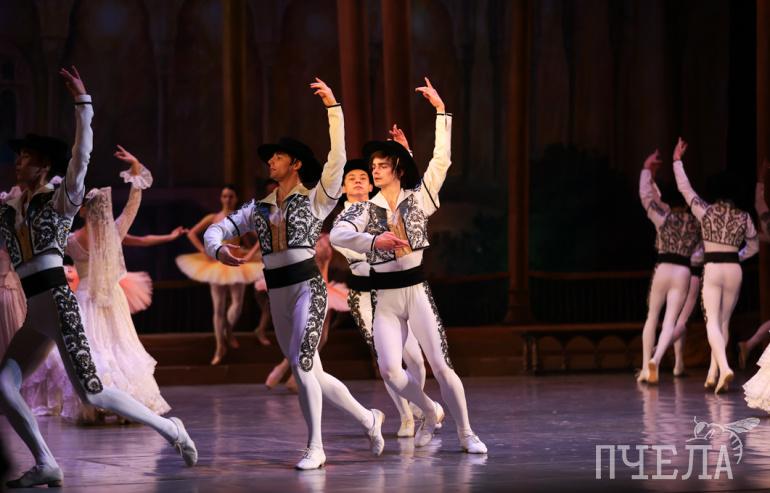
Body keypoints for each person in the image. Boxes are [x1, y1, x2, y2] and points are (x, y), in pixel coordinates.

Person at [0, 66, 196, 489]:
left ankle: (171, 430)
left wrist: (82, 104)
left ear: (44, 165)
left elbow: (81, 156)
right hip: (35, 311)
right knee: (4, 384)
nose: (18, 162)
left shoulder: (61, 199)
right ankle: (46, 462)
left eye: (26, 156)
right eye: (18, 156)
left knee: (91, 392)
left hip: (58, 303)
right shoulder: (10, 208)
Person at [204, 78, 384, 470]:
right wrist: (217, 249)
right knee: (312, 371)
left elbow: (338, 157)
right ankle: (370, 419)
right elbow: (215, 231)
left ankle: (315, 447)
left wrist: (333, 109)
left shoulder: (317, 197)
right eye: (270, 157)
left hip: (308, 288)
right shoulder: (258, 207)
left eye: (278, 156)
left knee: (302, 366)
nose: (271, 161)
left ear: (296, 163)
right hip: (278, 294)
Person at [330, 77, 486, 454]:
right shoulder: (365, 209)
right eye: (373, 166)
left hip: (415, 294)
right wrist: (373, 241)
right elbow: (338, 234)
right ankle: (429, 409)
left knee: (440, 366)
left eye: (382, 165)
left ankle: (467, 432)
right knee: (389, 370)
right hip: (384, 300)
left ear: (397, 168)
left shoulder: (420, 198)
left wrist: (441, 112)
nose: (375, 171)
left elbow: (441, 160)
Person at [21, 146, 176, 423]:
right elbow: (133, 204)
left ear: (83, 211)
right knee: (118, 346)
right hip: (111, 297)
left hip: (85, 297)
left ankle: (93, 405)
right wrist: (136, 168)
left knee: (92, 349)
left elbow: (47, 240)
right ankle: (126, 406)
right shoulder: (114, 233)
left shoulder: (71, 240)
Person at [673, 137, 759, 393]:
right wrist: (736, 256)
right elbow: (754, 245)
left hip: (713, 268)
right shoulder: (743, 217)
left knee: (712, 321)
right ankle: (713, 374)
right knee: (723, 322)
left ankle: (724, 367)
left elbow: (685, 189)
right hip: (733, 268)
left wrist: (677, 161)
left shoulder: (706, 211)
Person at [177, 185, 263, 365]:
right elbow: (191, 233)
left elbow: (262, 236)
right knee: (218, 307)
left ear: (236, 198)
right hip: (217, 263)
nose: (227, 199)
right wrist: (204, 250)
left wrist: (249, 255)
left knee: (237, 304)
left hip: (236, 262)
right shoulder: (213, 217)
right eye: (224, 196)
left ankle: (227, 331)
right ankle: (219, 346)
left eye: (231, 196)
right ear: (221, 198)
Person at [637, 150, 701, 384]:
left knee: (652, 316)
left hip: (663, 267)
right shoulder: (696, 222)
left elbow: (646, 198)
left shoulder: (663, 217)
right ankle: (657, 359)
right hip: (683, 271)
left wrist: (646, 170)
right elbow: (699, 254)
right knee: (670, 322)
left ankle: (646, 367)